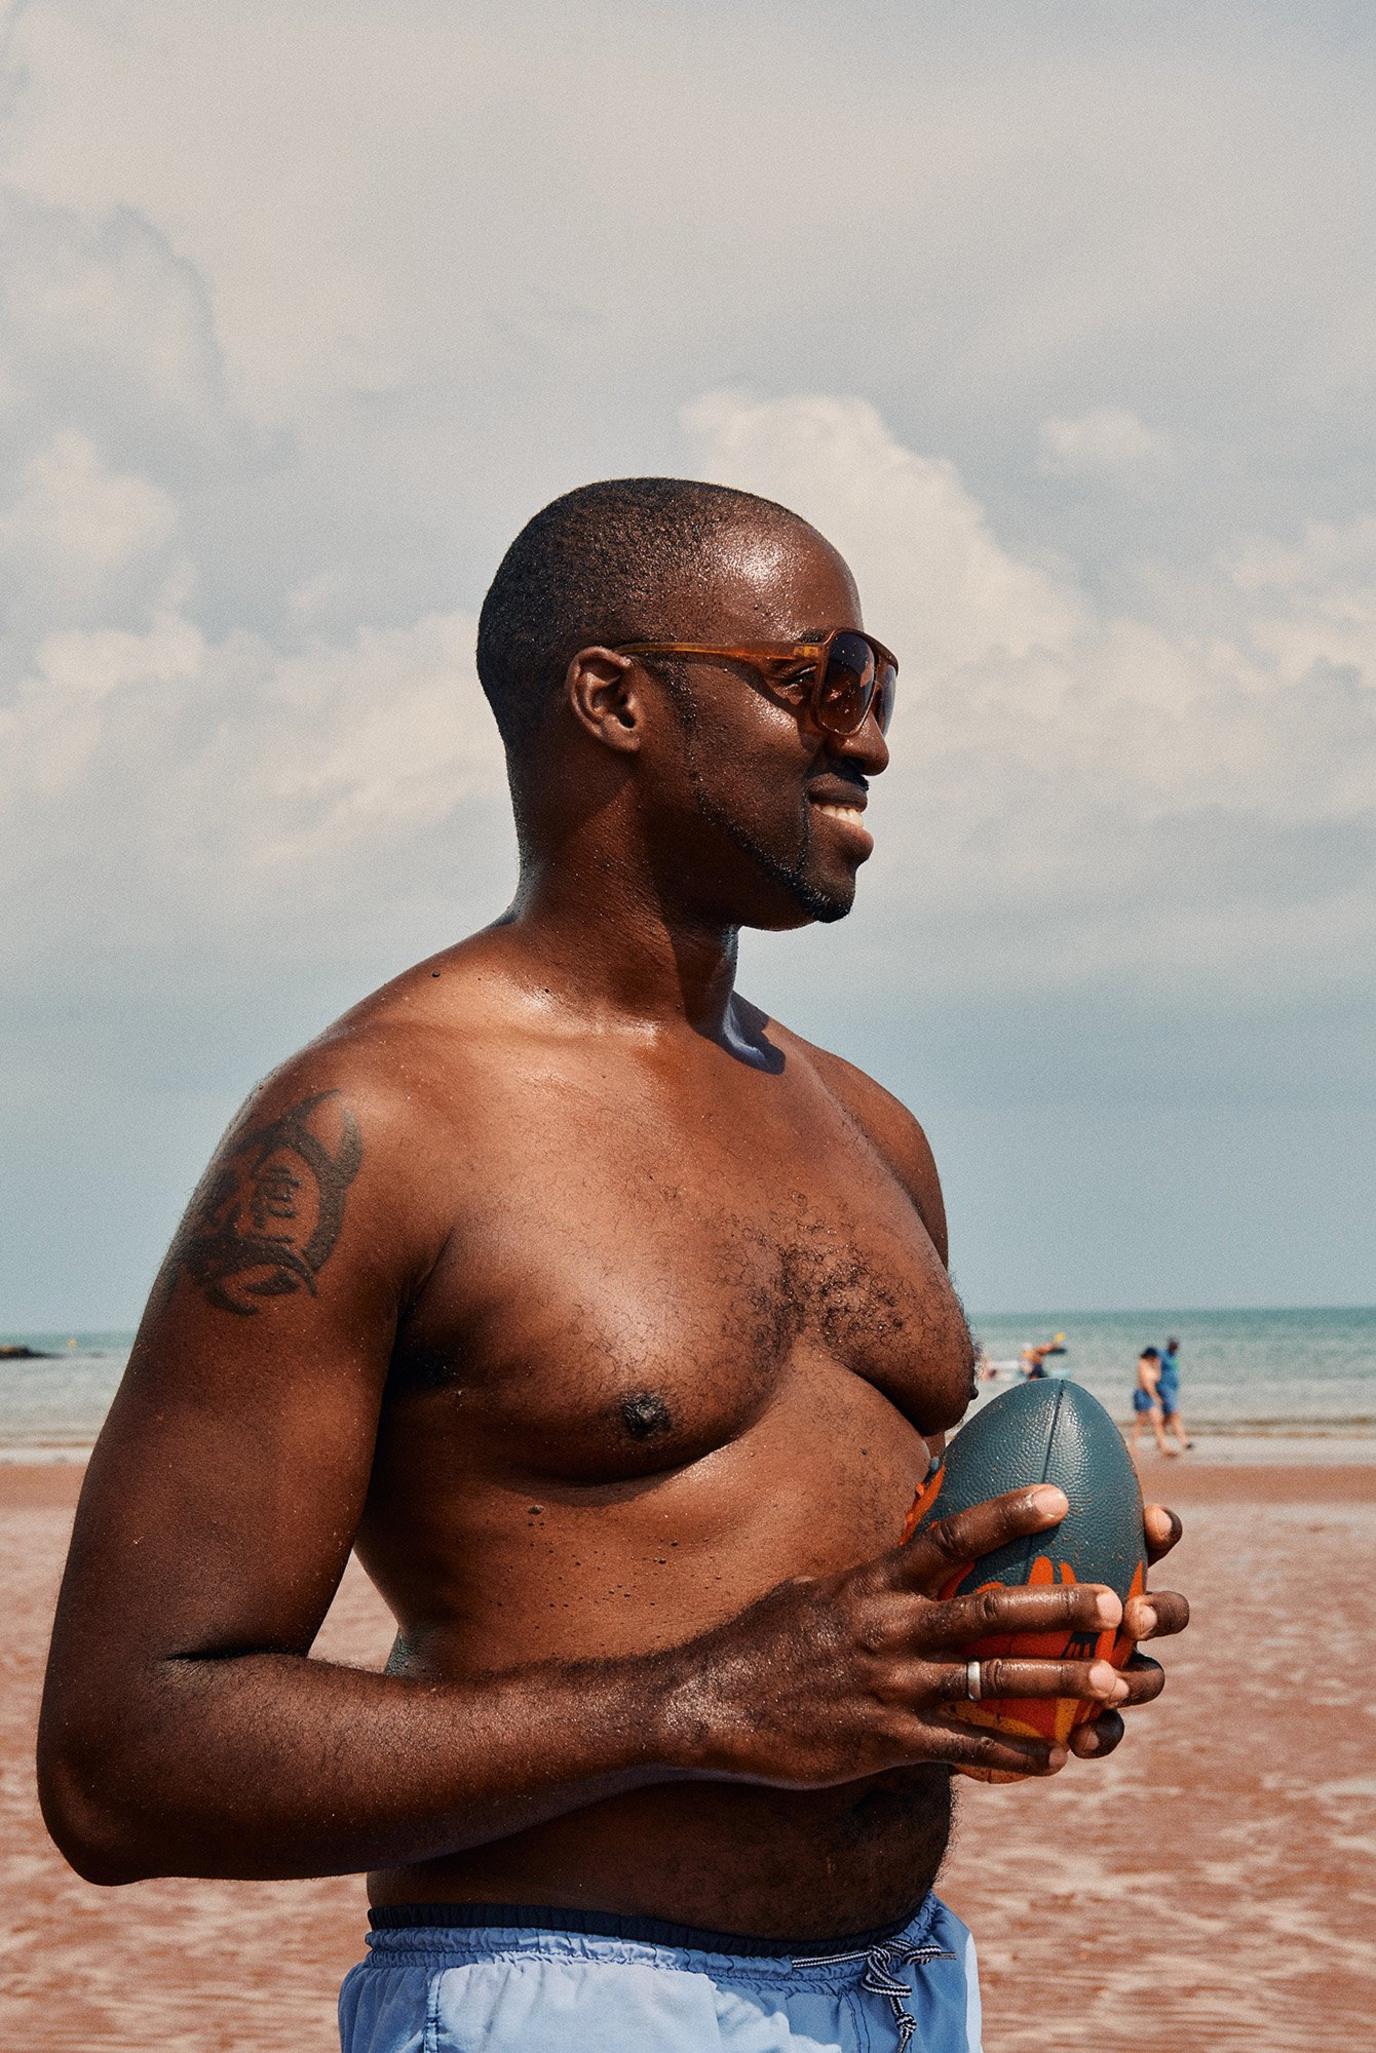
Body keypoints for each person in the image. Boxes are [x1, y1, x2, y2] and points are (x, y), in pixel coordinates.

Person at [38, 479, 1188, 2053]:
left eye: (881, 686)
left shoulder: (872, 1128)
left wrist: (1000, 1647)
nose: (871, 736)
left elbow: (838, 1595)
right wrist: (694, 1704)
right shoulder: (374, 1125)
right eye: (820, 678)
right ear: (613, 698)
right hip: (569, 1994)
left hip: (906, 1986)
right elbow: (122, 1758)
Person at [1129, 1346, 1175, 1459]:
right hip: (1142, 1394)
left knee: (1156, 1421)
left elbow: (1157, 1378)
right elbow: (1146, 1383)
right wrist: (1155, 1396)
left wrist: (1158, 1366)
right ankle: (1132, 1446)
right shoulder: (1142, 1364)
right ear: (1150, 1356)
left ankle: (1163, 1446)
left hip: (1148, 1395)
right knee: (1141, 1421)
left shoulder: (1150, 1365)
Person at [1157, 1336, 1193, 1451]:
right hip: (1164, 1388)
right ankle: (1184, 1441)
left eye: (1176, 1345)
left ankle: (1159, 1439)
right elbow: (1155, 1368)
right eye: (1173, 1345)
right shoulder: (1162, 1355)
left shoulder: (1174, 1356)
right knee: (1174, 1414)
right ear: (1169, 1344)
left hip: (1173, 1389)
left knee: (1167, 1416)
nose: (1175, 1347)